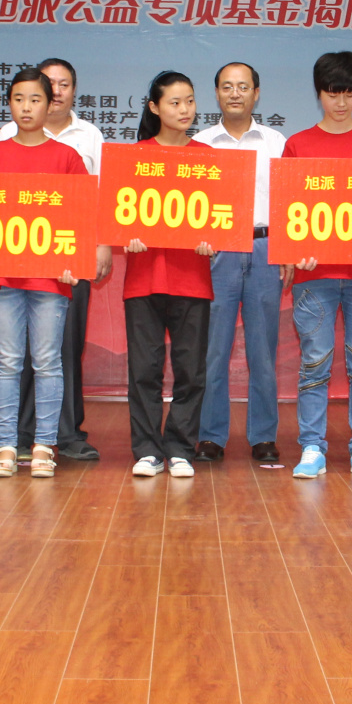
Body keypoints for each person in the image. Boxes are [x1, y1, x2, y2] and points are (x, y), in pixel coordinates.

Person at [0, 67, 108, 479]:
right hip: (2, 276)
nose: (27, 107)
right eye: (19, 99)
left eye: (35, 99)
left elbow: (83, 214)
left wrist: (75, 260)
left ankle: (45, 445)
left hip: (51, 277)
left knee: (48, 362)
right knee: (7, 362)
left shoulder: (66, 157)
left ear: (50, 105)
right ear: (9, 104)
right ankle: (6, 445)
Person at [282, 50, 352, 480]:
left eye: (349, 93)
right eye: (333, 93)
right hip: (315, 274)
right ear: (319, 94)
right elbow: (289, 208)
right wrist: (294, 250)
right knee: (314, 362)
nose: (341, 102)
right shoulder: (298, 144)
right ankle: (311, 446)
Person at [121, 72, 219, 478]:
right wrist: (127, 235)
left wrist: (213, 239)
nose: (184, 110)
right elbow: (119, 214)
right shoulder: (134, 157)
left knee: (191, 370)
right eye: (175, 102)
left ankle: (179, 448)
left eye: (190, 101)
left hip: (191, 278)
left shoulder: (208, 159)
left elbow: (220, 216)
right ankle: (146, 449)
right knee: (144, 370)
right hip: (143, 278)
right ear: (155, 107)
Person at [197, 62, 287, 462]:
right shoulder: (200, 144)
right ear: (217, 93)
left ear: (256, 93)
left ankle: (263, 436)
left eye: (243, 87)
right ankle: (210, 436)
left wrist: (286, 249)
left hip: (266, 248)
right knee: (213, 350)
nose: (235, 94)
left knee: (263, 350)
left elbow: (288, 199)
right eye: (227, 87)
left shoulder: (275, 142)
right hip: (216, 252)